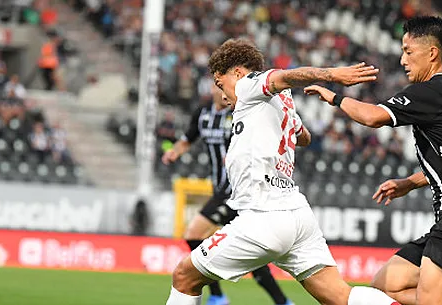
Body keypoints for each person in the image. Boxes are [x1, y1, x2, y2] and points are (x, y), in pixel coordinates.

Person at [166, 38, 398, 305]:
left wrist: (331, 75)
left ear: (238, 73)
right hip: (297, 216)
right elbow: (304, 137)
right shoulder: (280, 101)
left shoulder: (251, 84)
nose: (222, 94)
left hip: (263, 215)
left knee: (184, 276)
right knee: (339, 295)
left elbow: (284, 76)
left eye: (221, 85)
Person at [304, 16, 442, 305]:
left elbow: (371, 117)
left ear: (432, 53)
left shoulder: (428, 92)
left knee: (430, 302)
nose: (403, 59)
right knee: (384, 287)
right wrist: (409, 182)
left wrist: (334, 98)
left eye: (409, 51)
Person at [162, 83, 294, 305]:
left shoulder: (239, 112)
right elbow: (187, 139)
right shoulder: (203, 114)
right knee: (254, 254)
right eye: (218, 86)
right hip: (221, 189)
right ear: (212, 88)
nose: (223, 92)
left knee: (194, 233)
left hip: (235, 190)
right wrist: (174, 152)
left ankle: (217, 295)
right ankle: (282, 302)